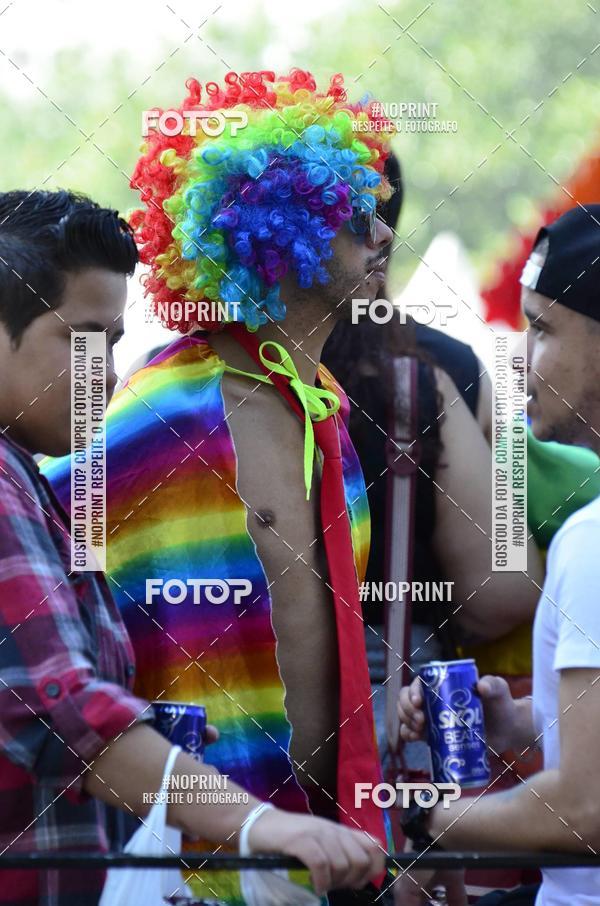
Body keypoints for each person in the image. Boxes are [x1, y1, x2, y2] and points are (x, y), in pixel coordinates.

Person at [42, 69, 402, 904]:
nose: (383, 234)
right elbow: (39, 576)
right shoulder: (156, 416)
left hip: (321, 851)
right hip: (188, 867)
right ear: (280, 238)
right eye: (356, 218)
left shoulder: (325, 414)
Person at [396, 204, 600, 905]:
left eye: (540, 327)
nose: (517, 355)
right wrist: (528, 720)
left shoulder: (593, 538)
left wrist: (420, 820)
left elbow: (584, 813)